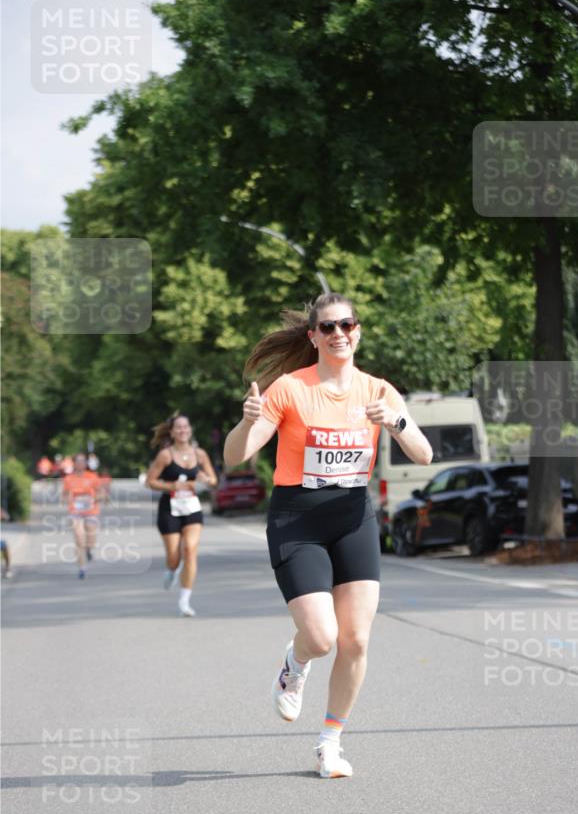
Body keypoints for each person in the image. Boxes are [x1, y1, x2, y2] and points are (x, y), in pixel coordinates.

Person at [223, 292, 432, 778]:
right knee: (321, 637)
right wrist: (247, 421)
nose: (340, 334)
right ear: (314, 336)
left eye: (348, 325)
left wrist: (397, 423)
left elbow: (422, 454)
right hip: (298, 520)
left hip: (353, 518)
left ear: (358, 331)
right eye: (330, 327)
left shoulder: (379, 392)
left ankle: (329, 744)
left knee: (356, 641)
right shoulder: (288, 390)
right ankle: (293, 666)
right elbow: (238, 454)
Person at [145, 414, 217, 617]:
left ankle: (184, 601)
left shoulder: (200, 454)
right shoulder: (165, 455)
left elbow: (213, 480)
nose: (183, 430)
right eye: (178, 428)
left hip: (192, 507)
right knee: (174, 558)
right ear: (172, 432)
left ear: (190, 429)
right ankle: (171, 569)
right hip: (170, 508)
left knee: (190, 550)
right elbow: (150, 481)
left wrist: (206, 479)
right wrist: (171, 486)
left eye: (186, 427)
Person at [61, 453, 101, 578]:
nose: (81, 463)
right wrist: (68, 500)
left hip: (91, 511)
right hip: (75, 512)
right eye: (78, 461)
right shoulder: (68, 479)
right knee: (79, 540)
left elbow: (101, 494)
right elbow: (64, 495)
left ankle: (89, 550)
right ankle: (82, 568)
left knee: (90, 540)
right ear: (74, 463)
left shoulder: (92, 477)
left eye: (83, 461)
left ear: (86, 463)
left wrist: (93, 499)